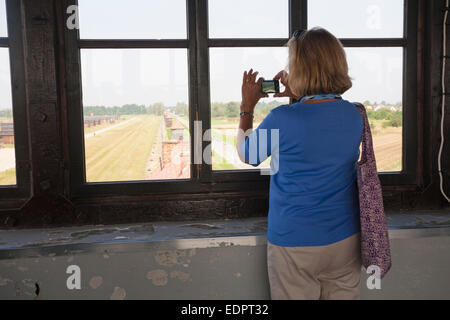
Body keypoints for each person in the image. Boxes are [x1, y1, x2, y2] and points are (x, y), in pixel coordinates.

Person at [236, 27, 363, 300]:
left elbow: (248, 154)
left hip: (295, 241)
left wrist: (247, 107)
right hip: (345, 238)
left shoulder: (283, 118)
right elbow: (319, 116)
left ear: (299, 69)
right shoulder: (355, 114)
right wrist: (299, 93)